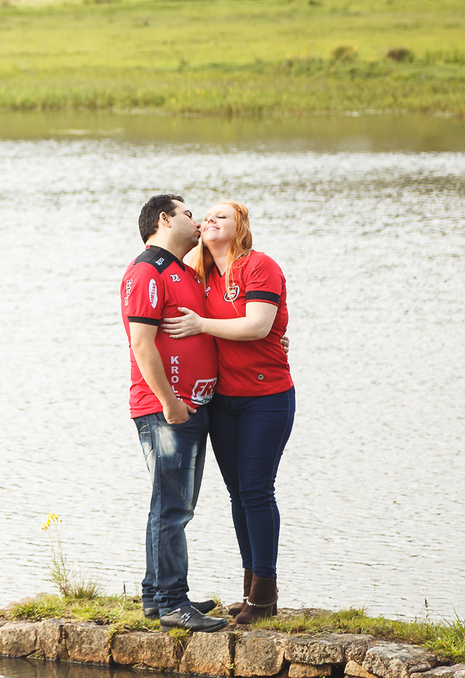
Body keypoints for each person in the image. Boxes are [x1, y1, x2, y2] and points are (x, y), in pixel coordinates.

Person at [163, 200, 295, 625]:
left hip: (266, 398)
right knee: (239, 494)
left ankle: (265, 593)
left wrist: (202, 324)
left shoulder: (259, 266)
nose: (209, 219)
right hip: (223, 401)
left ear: (240, 227)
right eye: (206, 216)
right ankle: (250, 590)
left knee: (257, 491)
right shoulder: (201, 276)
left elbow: (257, 325)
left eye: (222, 215)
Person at [120, 193, 228, 633]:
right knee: (173, 509)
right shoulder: (146, 271)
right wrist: (169, 403)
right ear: (163, 220)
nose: (196, 219)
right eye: (187, 213)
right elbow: (141, 344)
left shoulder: (182, 270)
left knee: (170, 504)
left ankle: (154, 594)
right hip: (166, 410)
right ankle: (172, 602)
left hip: (189, 408)